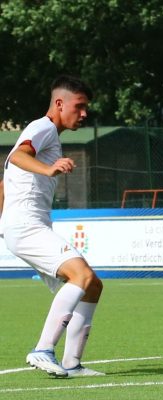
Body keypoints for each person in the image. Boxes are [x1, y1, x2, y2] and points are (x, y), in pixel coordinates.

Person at [0, 75, 105, 377]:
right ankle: (43, 349)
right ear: (60, 103)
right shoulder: (42, 127)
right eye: (80, 106)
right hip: (27, 226)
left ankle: (72, 364)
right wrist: (49, 168)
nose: (84, 114)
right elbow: (17, 156)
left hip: (27, 226)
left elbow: (5, 181)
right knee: (81, 275)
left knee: (92, 285)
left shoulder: (49, 136)